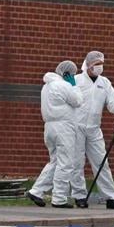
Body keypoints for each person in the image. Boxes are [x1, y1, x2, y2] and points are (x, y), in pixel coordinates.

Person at [70, 50, 114, 210]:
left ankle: (110, 197)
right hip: (77, 127)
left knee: (101, 162)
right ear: (89, 64)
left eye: (101, 64)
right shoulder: (77, 80)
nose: (99, 67)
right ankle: (79, 195)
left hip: (94, 129)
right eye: (97, 64)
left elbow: (112, 102)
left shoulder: (104, 83)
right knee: (77, 163)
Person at [26, 60, 84, 208]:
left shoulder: (46, 86)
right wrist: (74, 86)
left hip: (49, 127)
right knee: (65, 163)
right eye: (72, 74)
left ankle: (36, 191)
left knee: (55, 161)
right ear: (67, 74)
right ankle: (59, 199)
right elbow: (78, 101)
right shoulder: (64, 85)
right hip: (63, 127)